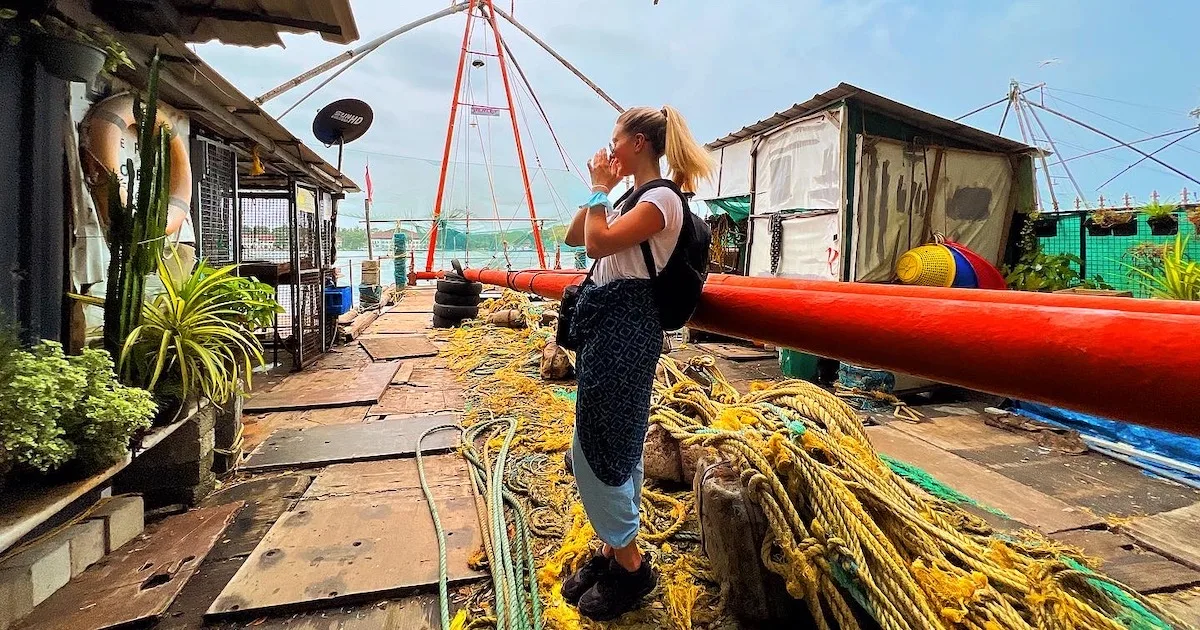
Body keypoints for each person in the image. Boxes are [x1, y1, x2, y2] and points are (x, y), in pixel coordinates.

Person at [560, 105, 714, 621]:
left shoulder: (663, 200)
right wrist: (598, 189)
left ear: (640, 144)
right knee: (609, 440)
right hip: (606, 327)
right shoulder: (629, 198)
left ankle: (632, 566)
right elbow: (574, 238)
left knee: (601, 446)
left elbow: (599, 241)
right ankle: (610, 552)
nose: (610, 149)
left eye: (616, 140)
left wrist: (602, 187)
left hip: (628, 331)